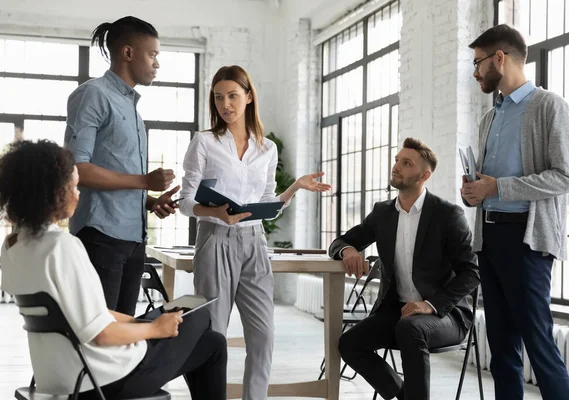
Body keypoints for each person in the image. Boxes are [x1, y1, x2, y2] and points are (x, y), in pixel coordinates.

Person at [0, 140, 227, 400]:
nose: (78, 194)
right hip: (103, 379)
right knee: (199, 318)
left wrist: (136, 321)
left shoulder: (13, 246)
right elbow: (101, 334)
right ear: (50, 191)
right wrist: (156, 329)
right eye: (73, 186)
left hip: (54, 377)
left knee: (212, 344)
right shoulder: (62, 246)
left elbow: (75, 312)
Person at [179, 65, 331, 399]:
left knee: (263, 336)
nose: (225, 104)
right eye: (219, 97)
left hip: (254, 244)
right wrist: (213, 211)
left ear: (249, 97)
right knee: (213, 336)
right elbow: (185, 201)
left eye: (233, 96)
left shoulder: (267, 148)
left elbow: (265, 202)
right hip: (214, 240)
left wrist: (294, 188)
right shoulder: (204, 142)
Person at [462, 24, 569, 399]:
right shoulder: (489, 118)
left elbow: (565, 177)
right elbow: (488, 183)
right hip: (490, 236)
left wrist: (498, 186)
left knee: (539, 346)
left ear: (500, 58)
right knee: (502, 353)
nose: (476, 72)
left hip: (526, 239)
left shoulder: (548, 106)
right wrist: (474, 193)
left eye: (478, 63)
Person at [331, 137, 480, 400]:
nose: (396, 166)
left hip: (446, 316)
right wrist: (349, 250)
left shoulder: (448, 215)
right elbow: (340, 242)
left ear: (424, 175)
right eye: (397, 160)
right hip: (396, 312)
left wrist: (430, 304)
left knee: (411, 329)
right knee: (350, 343)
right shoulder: (383, 213)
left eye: (406, 163)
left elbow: (472, 272)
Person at [64, 16, 179, 316]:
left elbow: (119, 178)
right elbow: (78, 169)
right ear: (128, 53)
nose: (157, 64)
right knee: (100, 334)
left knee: (124, 334)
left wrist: (151, 202)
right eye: (152, 54)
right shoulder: (94, 95)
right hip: (101, 238)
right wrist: (144, 182)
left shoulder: (131, 107)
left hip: (132, 241)